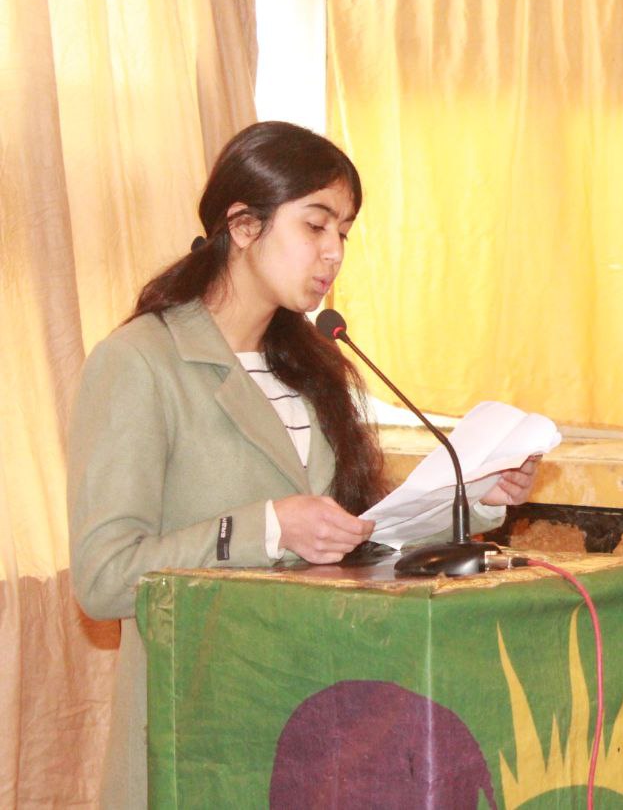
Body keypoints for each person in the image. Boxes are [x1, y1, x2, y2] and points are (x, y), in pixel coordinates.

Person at [66, 121, 538, 808]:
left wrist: (475, 496)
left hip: (312, 735)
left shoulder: (314, 367)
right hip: (197, 737)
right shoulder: (140, 363)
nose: (334, 252)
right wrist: (267, 528)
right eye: (316, 225)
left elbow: (356, 538)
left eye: (343, 231)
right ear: (243, 224)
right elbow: (104, 577)